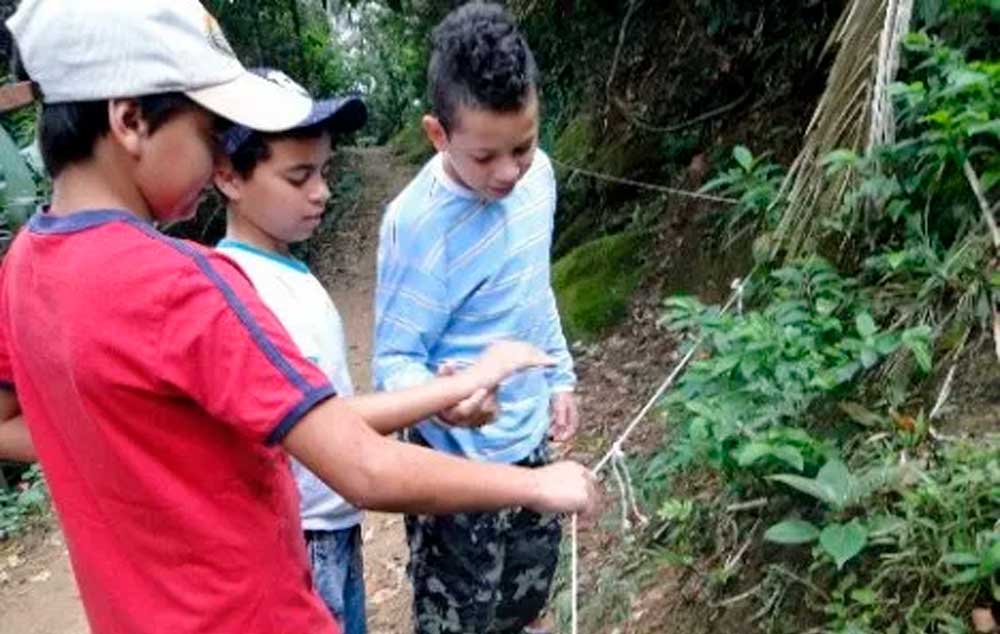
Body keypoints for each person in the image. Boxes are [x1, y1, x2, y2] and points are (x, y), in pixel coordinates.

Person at [0, 2, 598, 633]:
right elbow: (362, 468)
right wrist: (535, 487)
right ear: (129, 121)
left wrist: (140, 447)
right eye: (210, 134)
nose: (217, 163)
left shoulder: (23, 270)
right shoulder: (186, 287)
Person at [373, 3, 579, 633]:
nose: (510, 172)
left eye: (524, 144)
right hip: (454, 469)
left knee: (525, 603)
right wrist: (445, 400)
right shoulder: (416, 225)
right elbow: (394, 363)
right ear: (438, 134)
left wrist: (560, 375)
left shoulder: (538, 179)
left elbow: (531, 285)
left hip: (529, 446)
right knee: (459, 621)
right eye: (486, 156)